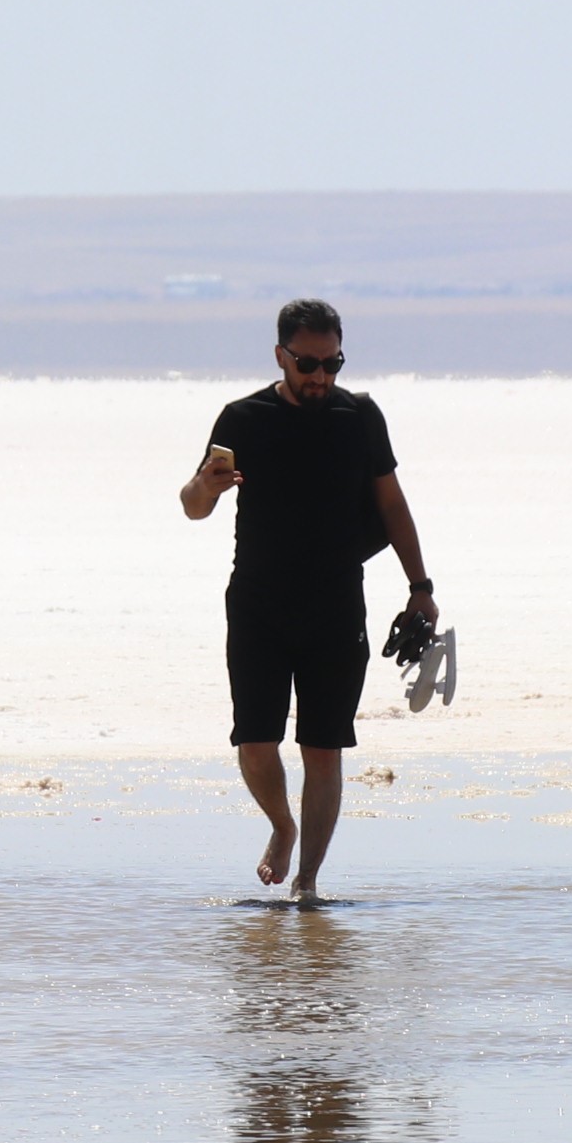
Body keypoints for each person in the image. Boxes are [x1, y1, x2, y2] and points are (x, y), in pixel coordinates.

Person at [178, 299, 437, 903]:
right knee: (256, 740)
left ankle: (310, 884)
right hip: (258, 603)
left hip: (336, 604)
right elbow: (193, 505)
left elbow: (393, 505)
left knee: (324, 747)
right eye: (307, 364)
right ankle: (282, 826)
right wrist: (204, 488)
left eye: (332, 363)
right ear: (281, 357)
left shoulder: (360, 417)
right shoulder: (243, 418)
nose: (320, 376)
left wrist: (420, 587)